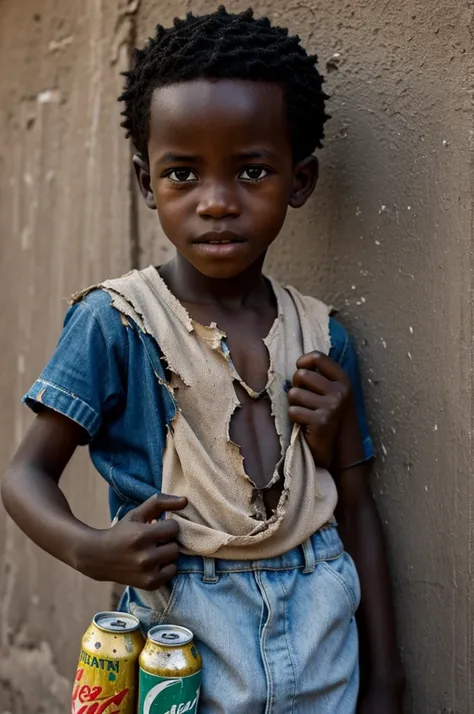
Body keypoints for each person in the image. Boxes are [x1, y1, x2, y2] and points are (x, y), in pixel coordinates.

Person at [2, 7, 404, 713]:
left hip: (324, 639)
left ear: (300, 180)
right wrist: (89, 549)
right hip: (186, 640)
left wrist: (385, 679)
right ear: (145, 181)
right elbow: (25, 475)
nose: (217, 203)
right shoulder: (117, 321)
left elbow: (358, 511)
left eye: (252, 171)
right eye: (183, 174)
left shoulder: (321, 336)